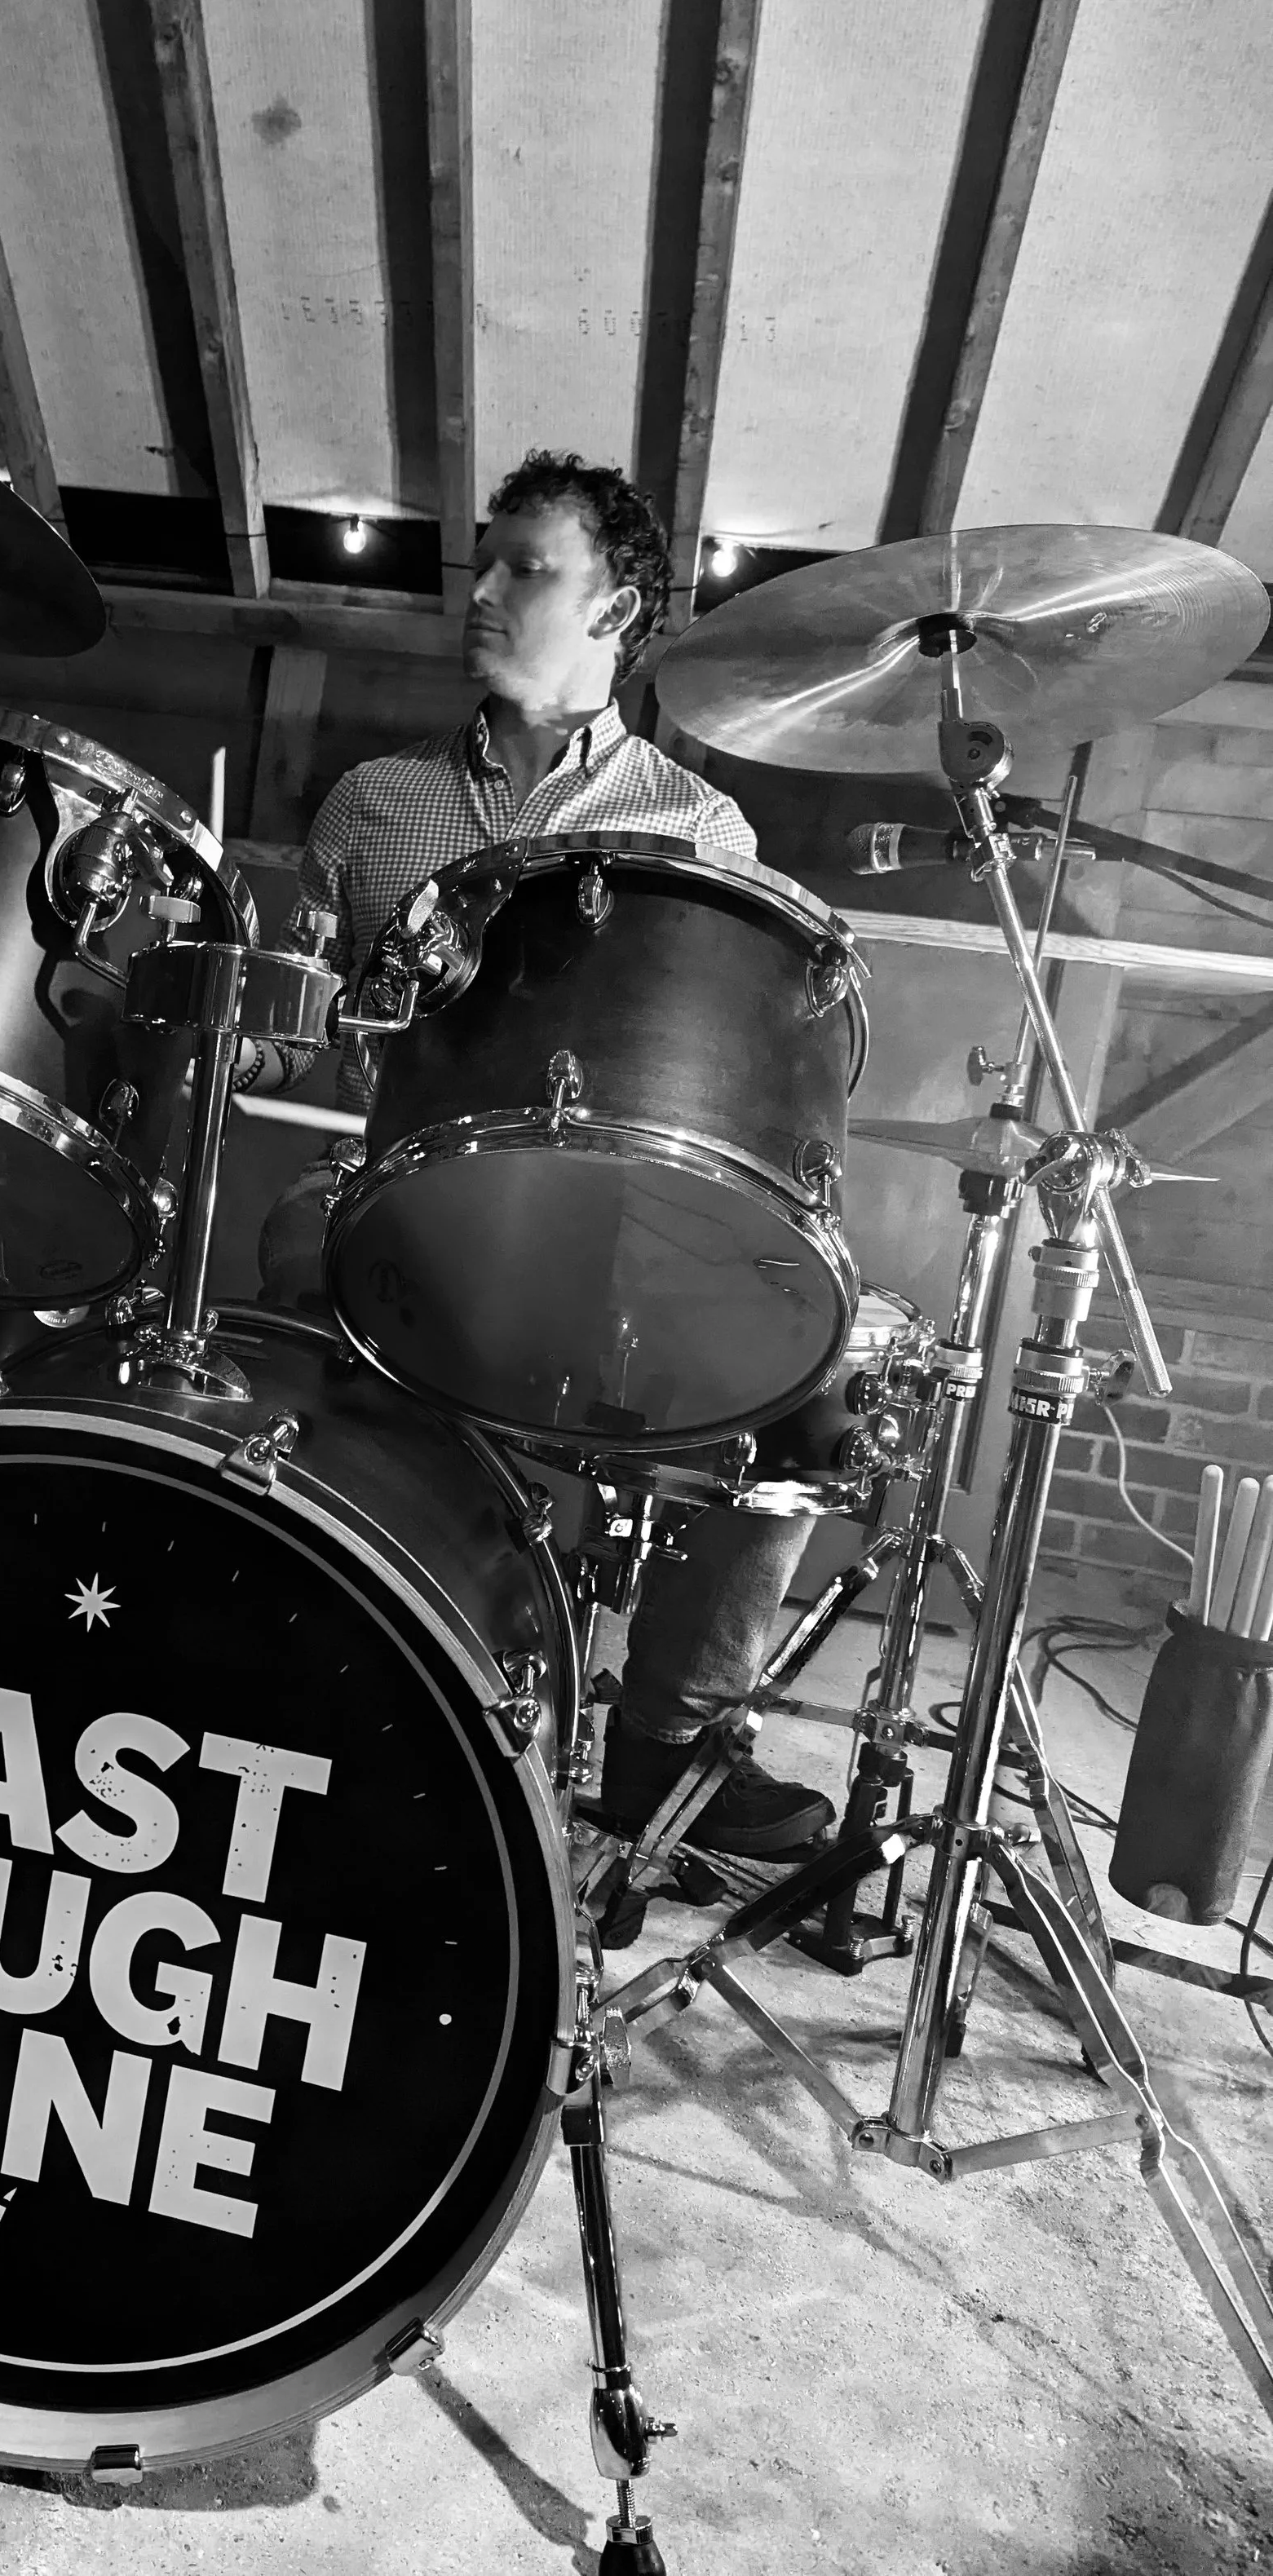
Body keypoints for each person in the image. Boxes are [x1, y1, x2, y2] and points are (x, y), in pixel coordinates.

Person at [241, 450, 835, 1858]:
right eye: (486, 564)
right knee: (284, 1250)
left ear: (620, 611)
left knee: (800, 1380)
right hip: (391, 1188)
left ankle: (665, 1742)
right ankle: (287, 1645)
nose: (488, 593)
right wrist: (222, 1023)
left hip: (607, 1221)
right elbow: (328, 1032)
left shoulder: (700, 828)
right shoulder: (373, 804)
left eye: (531, 570)